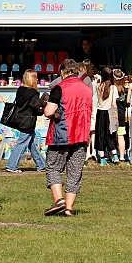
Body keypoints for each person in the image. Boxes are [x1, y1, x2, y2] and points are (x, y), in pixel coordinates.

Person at [43, 59, 93, 217]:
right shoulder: (87, 89)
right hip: (81, 134)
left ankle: (59, 200)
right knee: (74, 172)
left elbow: (49, 112)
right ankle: (69, 209)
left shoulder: (59, 88)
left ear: (62, 72)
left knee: (53, 167)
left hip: (61, 135)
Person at [5, 70, 47, 173]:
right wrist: (43, 110)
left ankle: (42, 165)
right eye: (36, 78)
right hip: (28, 121)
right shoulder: (34, 93)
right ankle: (12, 165)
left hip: (20, 120)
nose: (37, 80)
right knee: (22, 143)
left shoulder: (20, 90)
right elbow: (34, 108)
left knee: (32, 144)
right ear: (32, 79)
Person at [93, 67, 119, 165]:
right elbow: (113, 103)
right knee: (111, 134)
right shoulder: (113, 88)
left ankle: (102, 158)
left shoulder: (99, 86)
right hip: (109, 112)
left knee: (100, 135)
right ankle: (115, 155)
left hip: (100, 112)